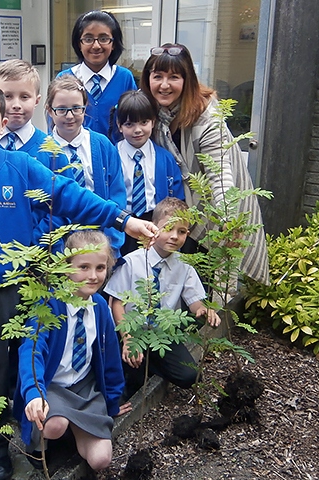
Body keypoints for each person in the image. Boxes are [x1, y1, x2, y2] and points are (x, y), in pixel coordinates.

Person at [0, 77, 159, 480]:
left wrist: (124, 220)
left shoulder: (21, 168)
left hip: (6, 295)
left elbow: (70, 195)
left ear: (3, 122)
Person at [140, 43, 270, 286]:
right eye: (157, 76)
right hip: (176, 214)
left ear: (187, 80)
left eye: (174, 77)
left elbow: (219, 174)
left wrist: (227, 218)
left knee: (210, 283)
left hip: (214, 209)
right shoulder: (150, 112)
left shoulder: (206, 115)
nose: (164, 85)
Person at [14, 230, 131, 471]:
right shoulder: (49, 304)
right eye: (84, 267)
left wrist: (112, 401)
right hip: (52, 385)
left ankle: (76, 429)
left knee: (101, 460)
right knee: (54, 425)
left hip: (83, 388)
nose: (93, 275)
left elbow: (110, 358)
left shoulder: (99, 307)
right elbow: (31, 350)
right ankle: (40, 449)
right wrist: (34, 391)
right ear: (66, 267)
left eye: (100, 268)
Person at [104, 197, 221, 396]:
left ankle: (153, 363)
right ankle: (140, 368)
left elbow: (195, 302)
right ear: (153, 228)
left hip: (163, 336)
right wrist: (128, 338)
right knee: (129, 385)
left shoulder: (185, 267)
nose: (174, 236)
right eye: (168, 229)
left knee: (190, 376)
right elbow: (116, 303)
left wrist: (203, 310)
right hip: (133, 333)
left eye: (181, 232)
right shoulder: (132, 262)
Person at [0, 58, 71, 247]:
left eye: (24, 97)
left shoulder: (53, 152)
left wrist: (34, 241)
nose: (16, 104)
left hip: (41, 255)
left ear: (37, 100)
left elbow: (64, 206)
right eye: (7, 96)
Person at [46, 74, 127, 256]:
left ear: (85, 109)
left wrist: (110, 245)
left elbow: (117, 195)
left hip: (101, 244)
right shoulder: (42, 151)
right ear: (50, 111)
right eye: (61, 109)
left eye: (76, 108)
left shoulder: (102, 145)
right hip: (61, 250)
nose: (69, 116)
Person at [112, 89, 185, 257]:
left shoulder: (165, 158)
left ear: (153, 122)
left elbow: (177, 198)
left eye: (144, 122)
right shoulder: (111, 155)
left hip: (155, 224)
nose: (138, 130)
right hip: (123, 223)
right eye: (130, 124)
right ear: (119, 126)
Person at [58, 10, 137, 142]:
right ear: (79, 43)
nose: (96, 46)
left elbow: (136, 120)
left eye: (104, 39)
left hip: (117, 159)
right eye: (88, 39)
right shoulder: (64, 78)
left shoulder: (125, 78)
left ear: (113, 44)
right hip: (75, 159)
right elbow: (54, 125)